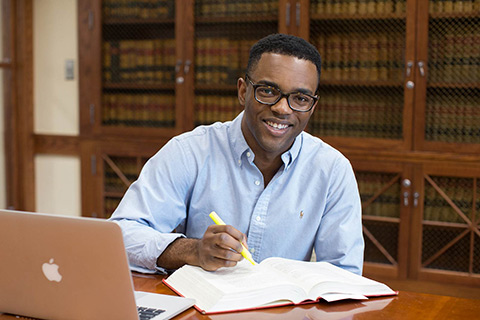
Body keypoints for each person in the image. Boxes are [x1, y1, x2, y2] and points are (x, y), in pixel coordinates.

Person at [110, 33, 364, 275]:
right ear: (243, 91)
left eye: (300, 98)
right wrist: (193, 250)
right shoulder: (190, 151)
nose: (282, 108)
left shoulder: (332, 170)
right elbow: (120, 235)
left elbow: (345, 274)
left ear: (312, 106)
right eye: (267, 91)